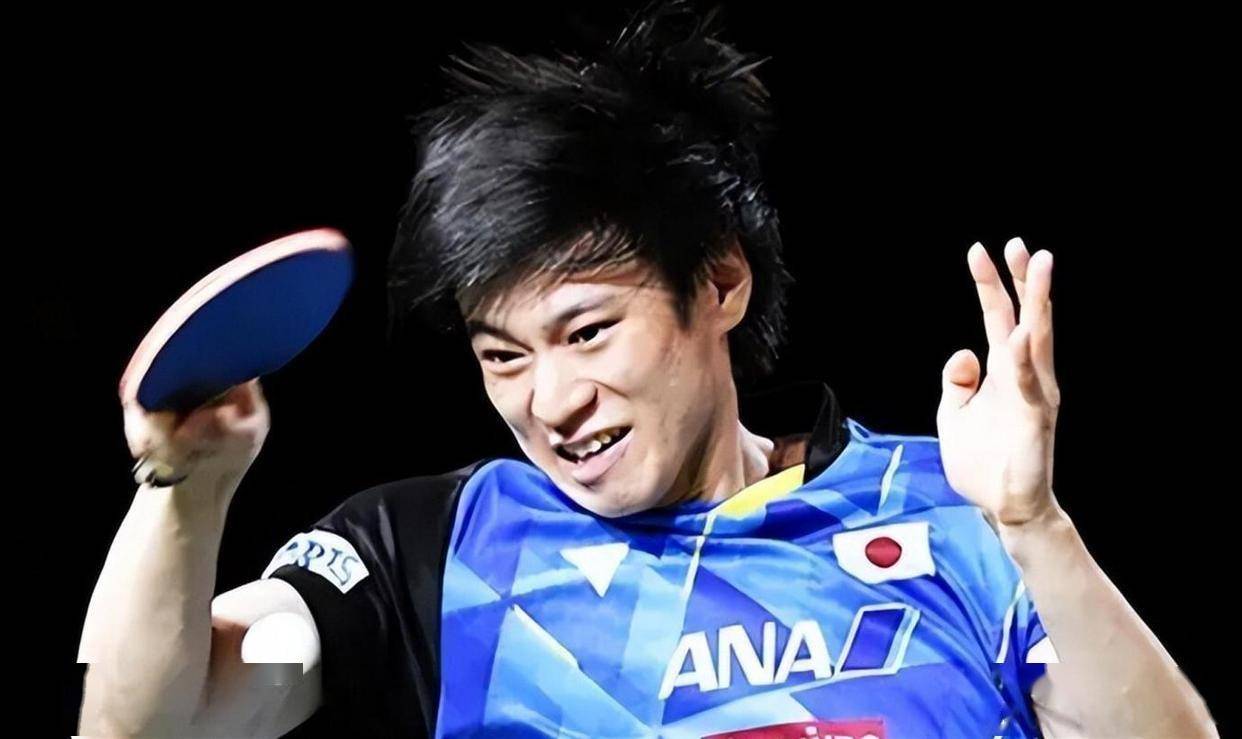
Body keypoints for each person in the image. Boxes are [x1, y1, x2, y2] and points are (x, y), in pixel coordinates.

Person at [77, 2, 1217, 737]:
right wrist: (187, 493)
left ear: (720, 284)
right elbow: (148, 722)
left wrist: (1031, 525)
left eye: (586, 332)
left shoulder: (945, 507)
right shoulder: (431, 549)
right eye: (502, 355)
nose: (550, 401)